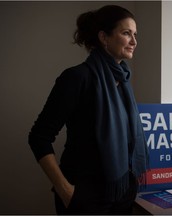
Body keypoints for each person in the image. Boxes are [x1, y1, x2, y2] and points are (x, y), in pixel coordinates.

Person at [28, 5, 149, 215]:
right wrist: (65, 191)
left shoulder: (123, 80)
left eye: (135, 34)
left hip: (121, 194)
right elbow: (39, 137)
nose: (134, 41)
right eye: (126, 33)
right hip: (85, 196)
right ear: (104, 37)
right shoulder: (77, 78)